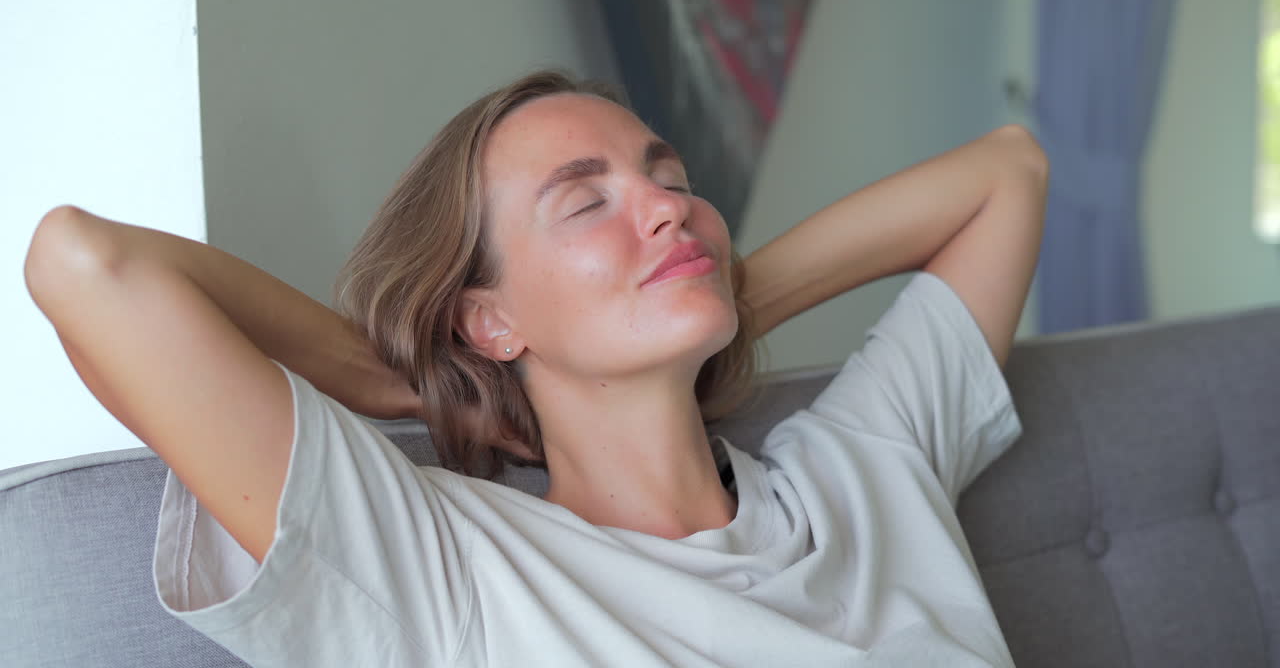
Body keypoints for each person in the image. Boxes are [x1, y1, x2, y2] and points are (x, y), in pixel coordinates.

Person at [23, 68, 1047, 666]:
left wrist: (718, 297)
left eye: (670, 180)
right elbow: (85, 264)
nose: (666, 207)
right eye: (583, 199)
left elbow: (1009, 171)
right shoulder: (448, 568)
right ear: (490, 319)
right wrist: (393, 378)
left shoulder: (866, 467)